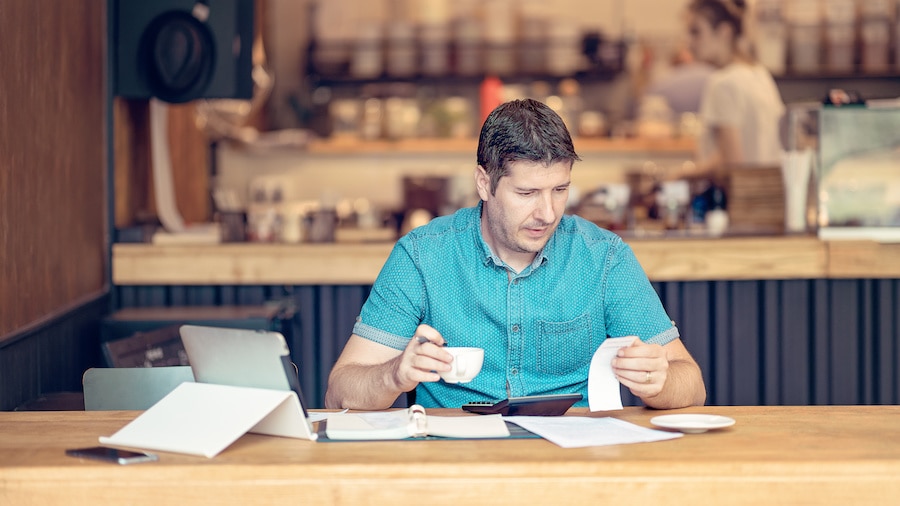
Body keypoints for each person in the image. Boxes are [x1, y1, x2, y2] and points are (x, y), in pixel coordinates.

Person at [325, 99, 706, 411]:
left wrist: (659, 382)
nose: (548, 213)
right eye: (527, 194)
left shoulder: (603, 257)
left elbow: (692, 384)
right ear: (484, 183)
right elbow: (340, 391)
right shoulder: (423, 256)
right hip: (455, 463)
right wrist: (394, 375)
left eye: (560, 190)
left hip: (573, 464)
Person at [687, 0, 785, 170]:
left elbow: (732, 165)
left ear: (724, 32)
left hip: (739, 195)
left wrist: (680, 175)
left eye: (696, 32)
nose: (689, 43)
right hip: (770, 192)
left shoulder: (723, 83)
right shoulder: (759, 74)